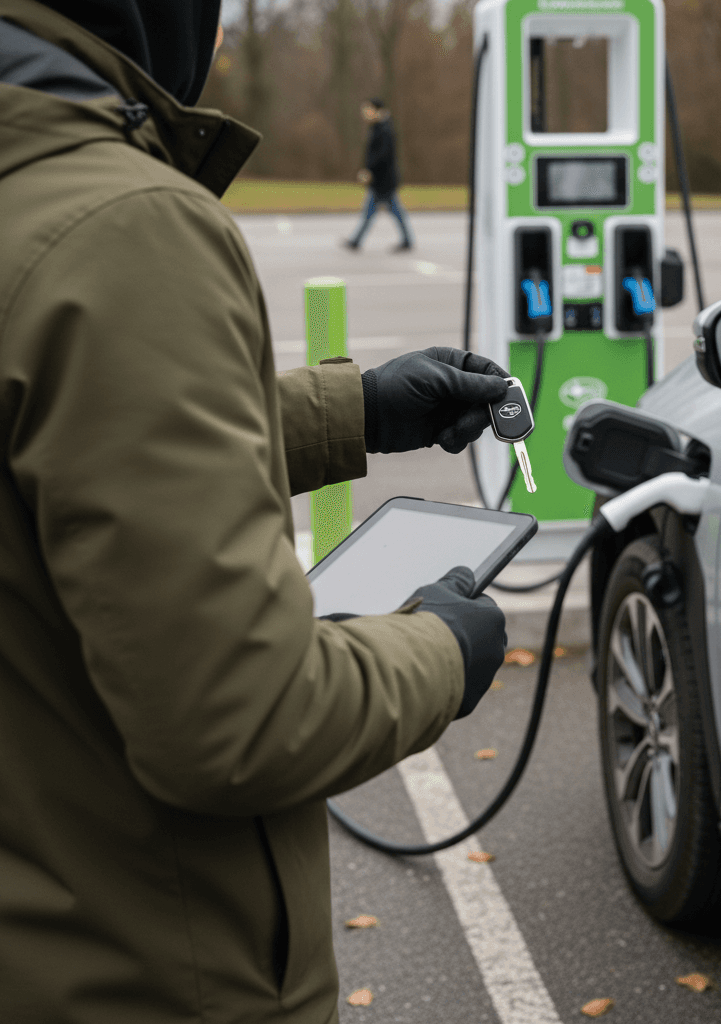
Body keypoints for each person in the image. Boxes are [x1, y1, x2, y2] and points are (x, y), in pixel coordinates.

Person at [0, 2, 508, 1022]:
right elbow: (241, 718)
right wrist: (443, 650)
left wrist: (355, 409)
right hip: (140, 969)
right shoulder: (120, 224)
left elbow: (79, 436)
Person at [344, 97, 414, 252]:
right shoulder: (378, 127)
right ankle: (357, 240)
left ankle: (357, 241)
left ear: (377, 110)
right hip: (381, 180)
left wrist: (369, 170)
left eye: (367, 110)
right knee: (388, 211)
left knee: (383, 211)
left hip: (384, 180)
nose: (365, 114)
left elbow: (382, 155)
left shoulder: (384, 128)